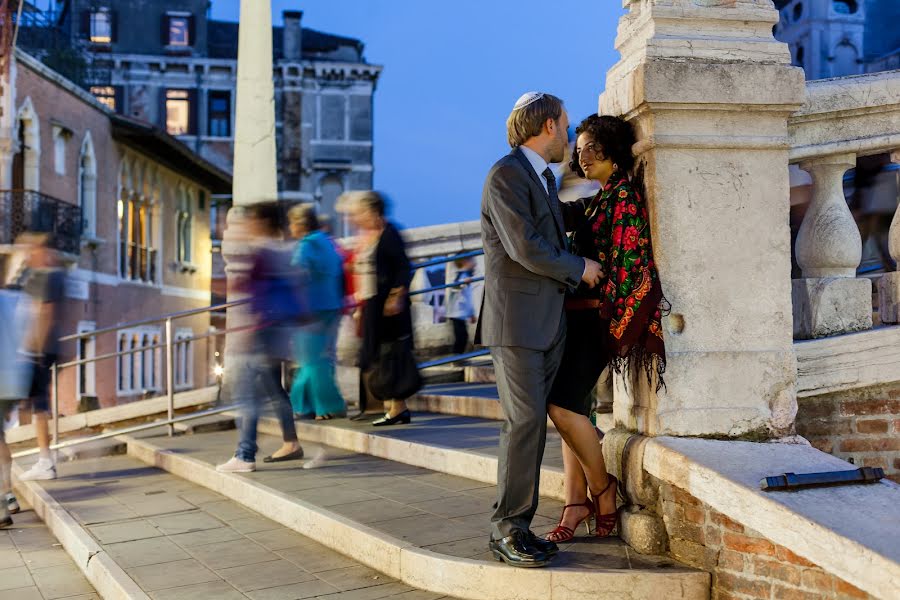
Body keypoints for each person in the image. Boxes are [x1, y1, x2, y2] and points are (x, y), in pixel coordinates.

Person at [477, 92, 604, 568]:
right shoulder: (506, 174)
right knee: (524, 422)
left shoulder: (540, 177)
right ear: (548, 125)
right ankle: (506, 530)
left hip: (545, 323)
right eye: (567, 128)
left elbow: (549, 231)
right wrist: (581, 268)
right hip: (518, 324)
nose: (570, 138)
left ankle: (520, 528)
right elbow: (526, 248)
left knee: (533, 422)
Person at [545, 114, 667, 542]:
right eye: (578, 150)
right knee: (570, 412)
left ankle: (603, 490)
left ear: (613, 151)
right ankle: (574, 503)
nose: (582, 155)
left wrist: (594, 279)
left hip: (598, 321)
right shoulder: (597, 200)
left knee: (562, 407)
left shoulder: (624, 200)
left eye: (591, 147)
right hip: (573, 321)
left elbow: (632, 267)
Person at [217, 203, 304, 473]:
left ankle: (244, 455)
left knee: (247, 396)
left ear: (263, 222)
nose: (249, 225)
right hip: (277, 333)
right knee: (274, 391)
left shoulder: (264, 253)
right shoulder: (285, 250)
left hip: (260, 334)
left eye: (253, 220)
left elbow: (253, 292)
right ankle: (290, 442)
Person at [347, 192, 416, 427]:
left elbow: (403, 268)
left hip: (387, 308)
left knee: (389, 356)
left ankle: (397, 408)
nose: (357, 217)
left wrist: (396, 296)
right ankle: (390, 407)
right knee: (377, 355)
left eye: (360, 212)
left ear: (374, 212)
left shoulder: (389, 234)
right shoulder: (368, 236)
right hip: (371, 305)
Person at [287, 204, 346, 421]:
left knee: (311, 360)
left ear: (300, 224)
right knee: (320, 357)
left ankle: (324, 405)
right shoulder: (326, 242)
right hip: (332, 307)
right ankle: (311, 406)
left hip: (311, 310)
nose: (290, 227)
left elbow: (296, 279)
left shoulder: (305, 246)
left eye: (292, 223)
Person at [14, 233, 65, 482]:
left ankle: (46, 461)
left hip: (37, 351)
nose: (26, 254)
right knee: (38, 404)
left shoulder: (47, 276)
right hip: (40, 350)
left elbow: (45, 312)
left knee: (39, 404)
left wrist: (34, 349)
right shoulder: (45, 274)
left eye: (29, 249)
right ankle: (46, 459)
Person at [446, 257, 476, 355]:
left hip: (460, 313)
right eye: (472, 260)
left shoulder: (466, 275)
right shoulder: (461, 275)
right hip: (456, 313)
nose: (474, 262)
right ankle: (456, 357)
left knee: (462, 336)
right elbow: (455, 287)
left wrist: (471, 313)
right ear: (465, 261)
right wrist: (463, 283)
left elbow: (468, 297)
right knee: (461, 336)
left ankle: (458, 357)